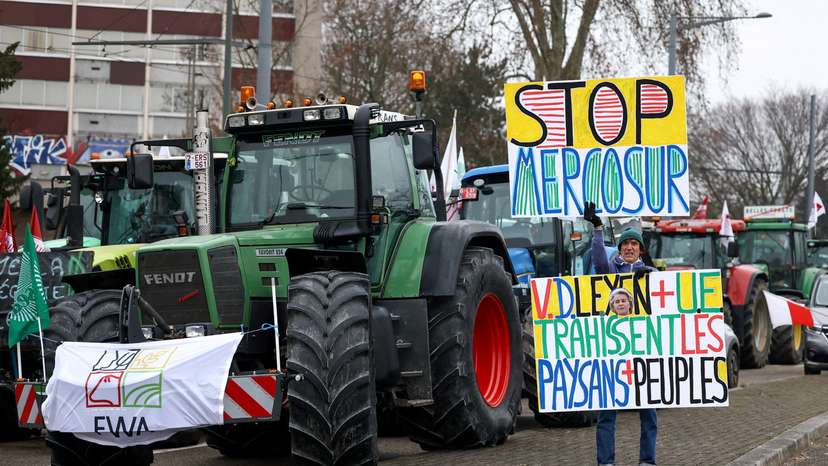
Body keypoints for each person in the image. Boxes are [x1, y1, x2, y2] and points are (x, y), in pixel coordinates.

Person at [583, 201, 657, 466]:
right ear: (620, 248)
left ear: (640, 250)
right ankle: (606, 462)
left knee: (649, 413)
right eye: (625, 244)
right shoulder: (610, 271)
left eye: (634, 244)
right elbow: (599, 257)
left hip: (642, 354)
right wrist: (598, 229)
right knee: (607, 414)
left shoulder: (652, 276)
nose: (628, 247)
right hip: (612, 356)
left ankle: (647, 461)